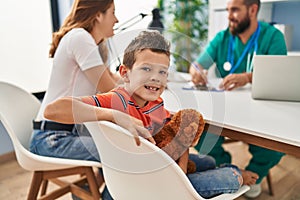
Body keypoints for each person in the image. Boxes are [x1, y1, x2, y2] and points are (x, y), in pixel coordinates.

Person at [43, 30, 250, 199]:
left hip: (154, 174)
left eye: (162, 72)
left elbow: (179, 136)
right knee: (231, 178)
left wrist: (181, 172)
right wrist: (114, 115)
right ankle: (233, 173)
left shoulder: (156, 104)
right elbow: (52, 110)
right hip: (142, 187)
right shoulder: (115, 100)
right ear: (125, 73)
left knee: (208, 161)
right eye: (147, 69)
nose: (156, 78)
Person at [189, 0, 286, 198]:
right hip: (226, 108)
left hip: (262, 110)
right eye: (227, 10)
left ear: (252, 9)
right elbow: (198, 64)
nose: (229, 16)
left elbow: (280, 76)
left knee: (275, 144)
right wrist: (197, 71)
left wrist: (248, 77)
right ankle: (226, 169)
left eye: (234, 10)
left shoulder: (273, 37)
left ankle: (254, 176)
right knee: (200, 131)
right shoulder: (223, 37)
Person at [29, 0, 121, 199]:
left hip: (62, 134)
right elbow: (111, 91)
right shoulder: (80, 38)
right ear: (98, 15)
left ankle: (86, 194)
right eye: (113, 13)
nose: (117, 19)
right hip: (52, 139)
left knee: (120, 144)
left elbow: (114, 81)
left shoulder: (88, 42)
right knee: (121, 151)